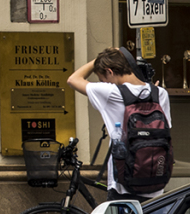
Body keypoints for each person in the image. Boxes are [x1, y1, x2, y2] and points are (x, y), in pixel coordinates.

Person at [67, 47, 173, 201]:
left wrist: (100, 58)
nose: (103, 82)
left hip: (123, 185)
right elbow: (166, 131)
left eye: (103, 78)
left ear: (110, 71)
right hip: (156, 181)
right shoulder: (160, 93)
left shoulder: (111, 92)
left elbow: (73, 79)